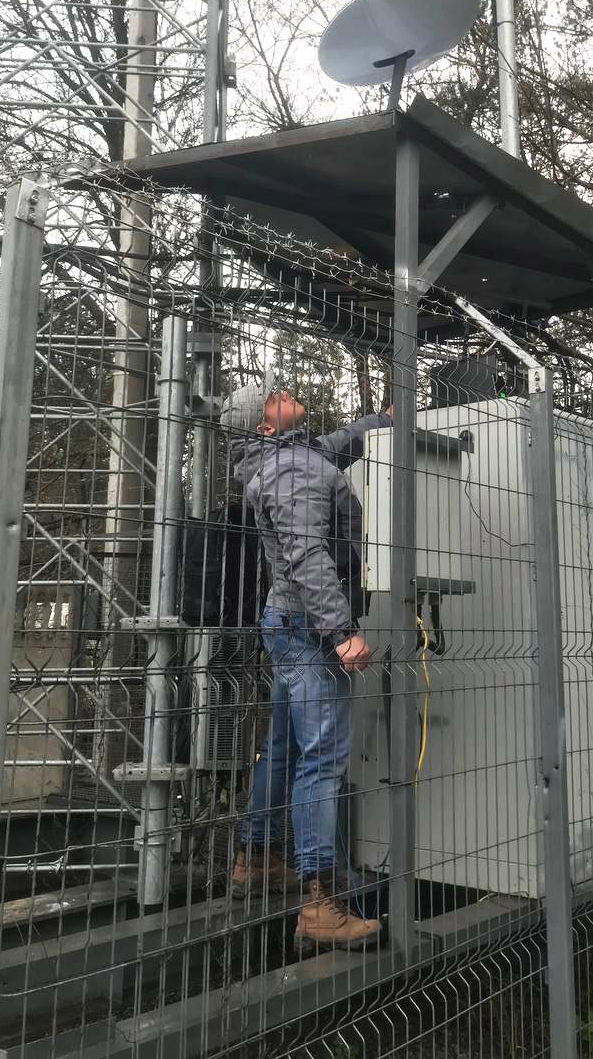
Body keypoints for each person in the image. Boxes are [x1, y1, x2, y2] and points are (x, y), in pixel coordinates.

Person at [219, 372, 392, 952]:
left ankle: (257, 855)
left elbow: (338, 443)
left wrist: (383, 421)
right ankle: (319, 902)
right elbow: (306, 553)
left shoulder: (292, 455)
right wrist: (341, 631)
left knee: (287, 747)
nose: (287, 393)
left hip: (287, 624)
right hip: (312, 631)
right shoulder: (292, 470)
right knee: (321, 760)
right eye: (275, 397)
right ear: (266, 423)